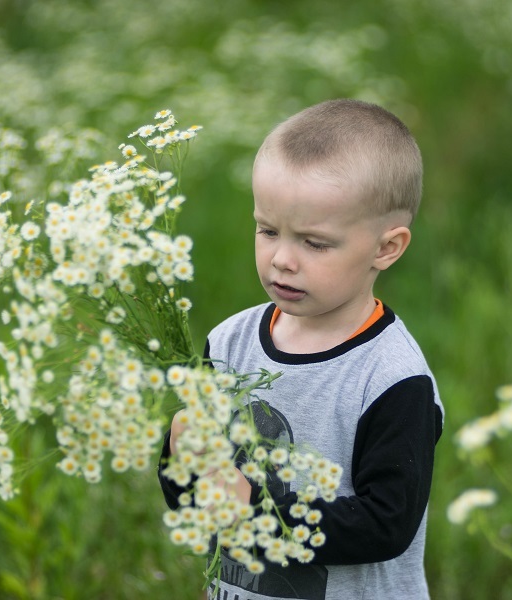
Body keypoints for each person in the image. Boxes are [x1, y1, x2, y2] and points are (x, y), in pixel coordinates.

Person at [159, 98, 444, 600]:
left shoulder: (391, 378)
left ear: (386, 247)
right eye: (267, 231)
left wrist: (255, 509)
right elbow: (199, 499)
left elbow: (387, 526)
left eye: (314, 243)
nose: (282, 260)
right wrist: (179, 456)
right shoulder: (229, 342)